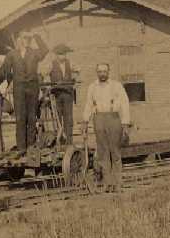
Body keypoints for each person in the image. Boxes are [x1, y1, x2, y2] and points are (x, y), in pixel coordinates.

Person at [0, 30, 49, 155]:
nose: (26, 40)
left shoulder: (34, 53)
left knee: (32, 117)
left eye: (28, 38)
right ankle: (22, 148)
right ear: (19, 40)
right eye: (24, 38)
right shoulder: (12, 54)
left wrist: (36, 36)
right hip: (19, 89)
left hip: (33, 88)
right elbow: (4, 70)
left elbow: (45, 50)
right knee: (20, 118)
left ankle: (31, 147)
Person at [81, 63, 130, 193]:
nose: (102, 74)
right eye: (100, 71)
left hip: (113, 118)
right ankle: (108, 183)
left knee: (115, 152)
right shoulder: (92, 87)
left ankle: (117, 183)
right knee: (103, 153)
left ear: (109, 72)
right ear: (96, 72)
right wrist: (85, 121)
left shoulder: (116, 86)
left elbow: (125, 104)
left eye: (104, 71)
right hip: (99, 119)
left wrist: (125, 123)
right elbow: (88, 104)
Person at [50, 43, 75, 144]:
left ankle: (69, 141)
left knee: (68, 118)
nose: (62, 56)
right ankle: (60, 141)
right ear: (56, 55)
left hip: (68, 94)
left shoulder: (70, 63)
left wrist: (75, 78)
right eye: (60, 54)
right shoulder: (51, 64)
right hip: (57, 94)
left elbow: (78, 71)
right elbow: (43, 73)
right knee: (58, 118)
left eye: (64, 54)